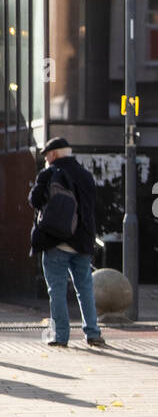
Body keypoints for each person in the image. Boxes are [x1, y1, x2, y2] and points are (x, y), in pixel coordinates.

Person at [28, 137, 105, 348]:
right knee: (85, 289)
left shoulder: (49, 173)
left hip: (55, 241)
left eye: (46, 156)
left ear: (52, 155)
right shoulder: (86, 175)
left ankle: (61, 336)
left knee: (57, 290)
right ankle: (93, 333)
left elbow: (34, 201)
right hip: (82, 243)